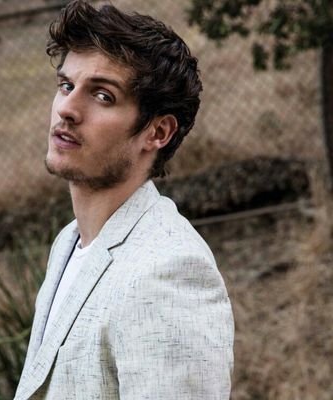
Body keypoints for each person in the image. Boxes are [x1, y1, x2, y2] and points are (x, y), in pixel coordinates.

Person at [14, 1, 234, 399]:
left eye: (103, 96)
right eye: (66, 86)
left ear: (158, 132)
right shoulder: (69, 243)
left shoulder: (168, 272)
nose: (67, 109)